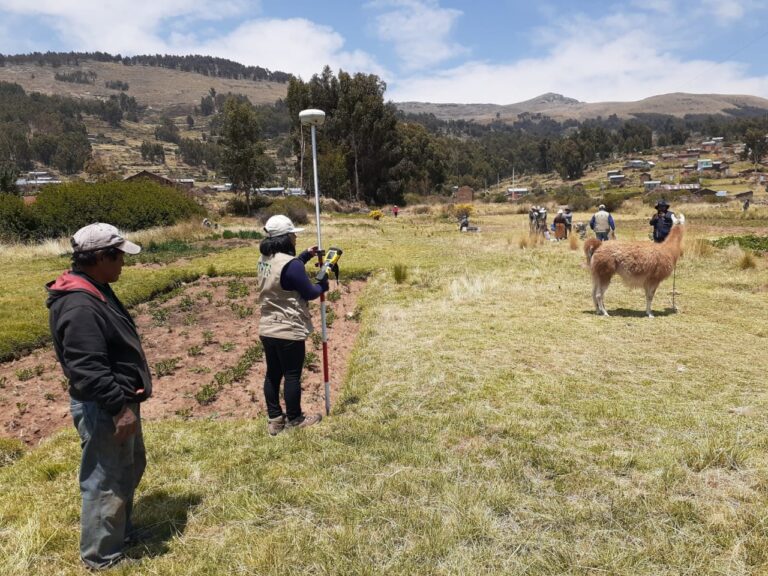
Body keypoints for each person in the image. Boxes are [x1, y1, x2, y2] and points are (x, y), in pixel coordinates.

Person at [46, 223, 150, 571]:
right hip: (105, 406)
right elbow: (88, 369)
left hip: (116, 401)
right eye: (119, 256)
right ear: (101, 257)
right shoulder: (80, 305)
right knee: (105, 481)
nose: (123, 263)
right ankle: (102, 557)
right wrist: (119, 409)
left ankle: (120, 535)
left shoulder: (95, 287)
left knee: (127, 468)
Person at [258, 215, 327, 436]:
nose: (295, 237)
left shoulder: (264, 259)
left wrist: (305, 255)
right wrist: (322, 283)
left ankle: (275, 419)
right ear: (286, 237)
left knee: (273, 374)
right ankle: (295, 418)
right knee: (292, 375)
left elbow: (286, 273)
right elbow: (310, 292)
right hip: (289, 327)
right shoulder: (292, 265)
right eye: (293, 234)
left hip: (268, 326)